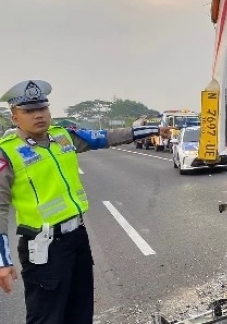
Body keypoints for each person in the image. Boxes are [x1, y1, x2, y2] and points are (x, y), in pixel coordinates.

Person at [0, 80, 170, 324]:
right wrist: (2, 261)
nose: (39, 115)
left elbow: (106, 137)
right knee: (47, 317)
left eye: (43, 109)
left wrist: (151, 130)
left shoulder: (63, 137)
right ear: (15, 117)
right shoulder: (7, 152)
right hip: (43, 247)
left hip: (76, 237)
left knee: (80, 312)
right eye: (29, 111)